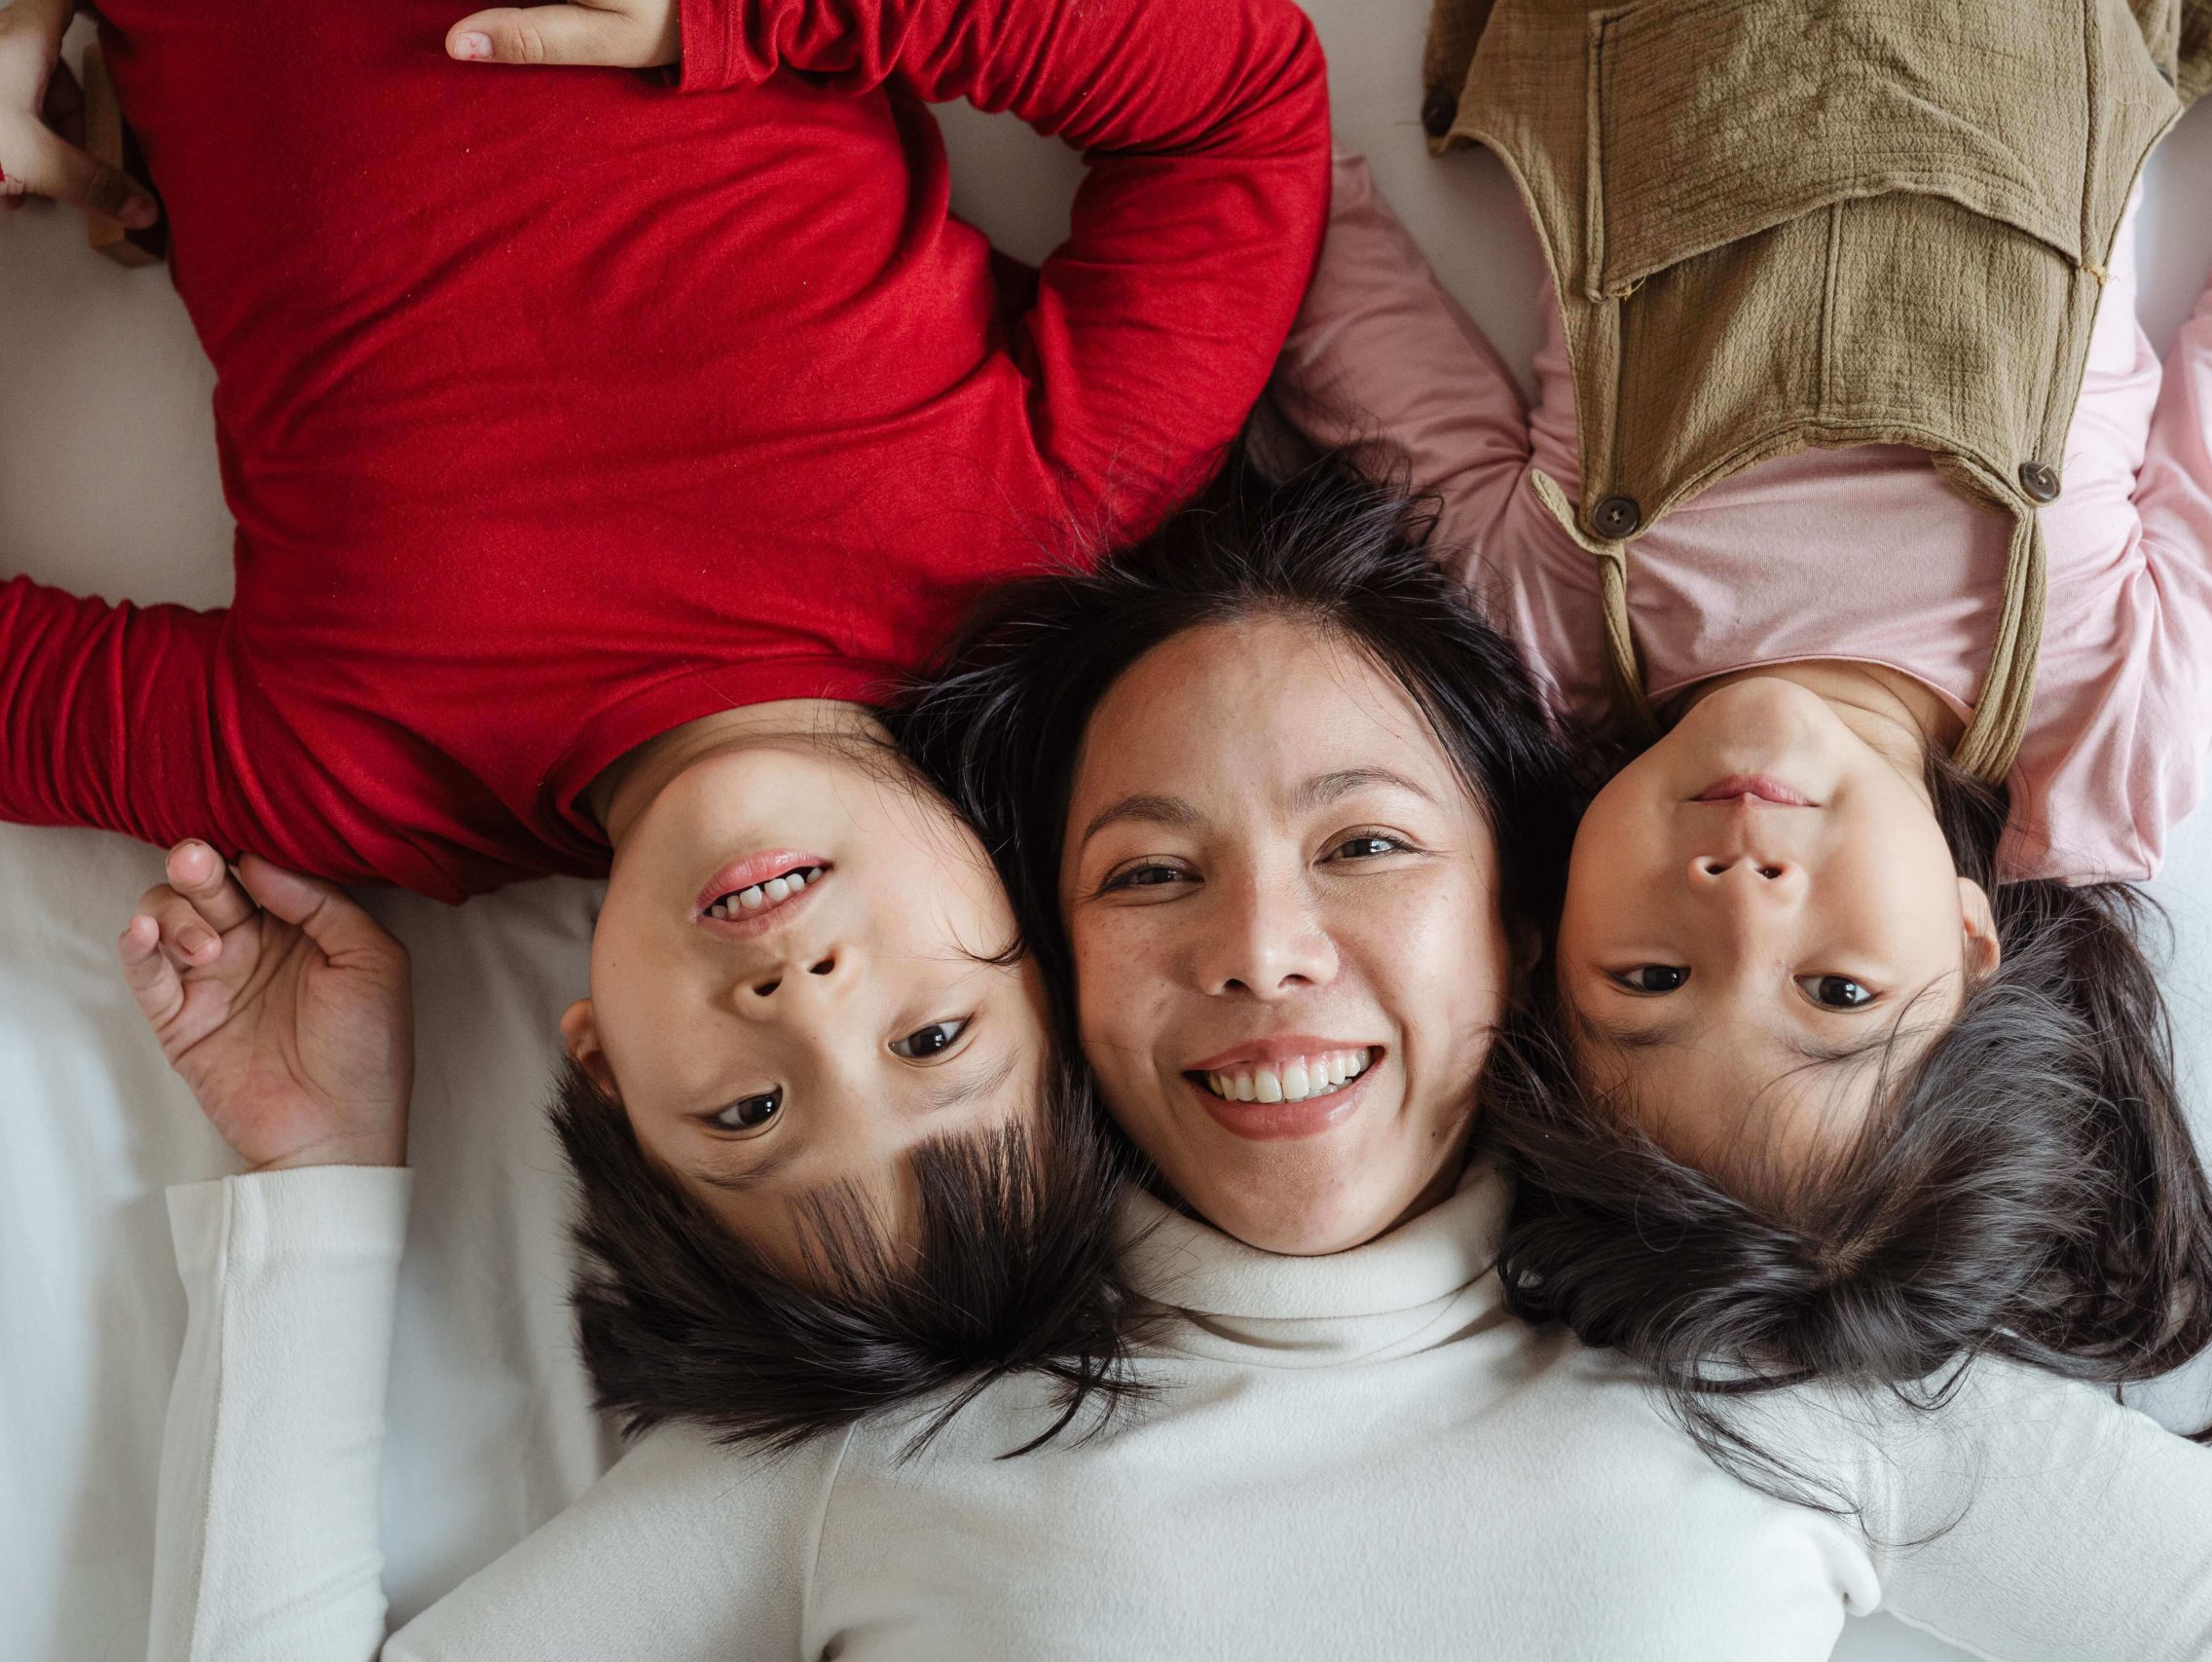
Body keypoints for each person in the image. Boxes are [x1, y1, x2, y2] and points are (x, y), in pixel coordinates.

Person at [136, 465, 2212, 1661]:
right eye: (1147, 877)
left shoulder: (1775, 1374)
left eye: (1364, 844)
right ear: (1045, 967)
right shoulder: (886, 1446)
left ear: (1525, 904)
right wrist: (313, 1173)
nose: (1264, 954)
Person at [0, 0, 1330, 1429]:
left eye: (745, 1116)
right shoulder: (1040, 525)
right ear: (1041, 937)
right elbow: (1241, 109)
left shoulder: (365, 776)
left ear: (603, 1070)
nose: (807, 1005)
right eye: (933, 1043)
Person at [1277, 0, 2212, 1425]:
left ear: (1540, 946)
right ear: (1973, 947)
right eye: (1836, 993)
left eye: (1649, 982)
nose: (1740, 901)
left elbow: (1306, 253)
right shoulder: (2104, 715)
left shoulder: (1544, 631)